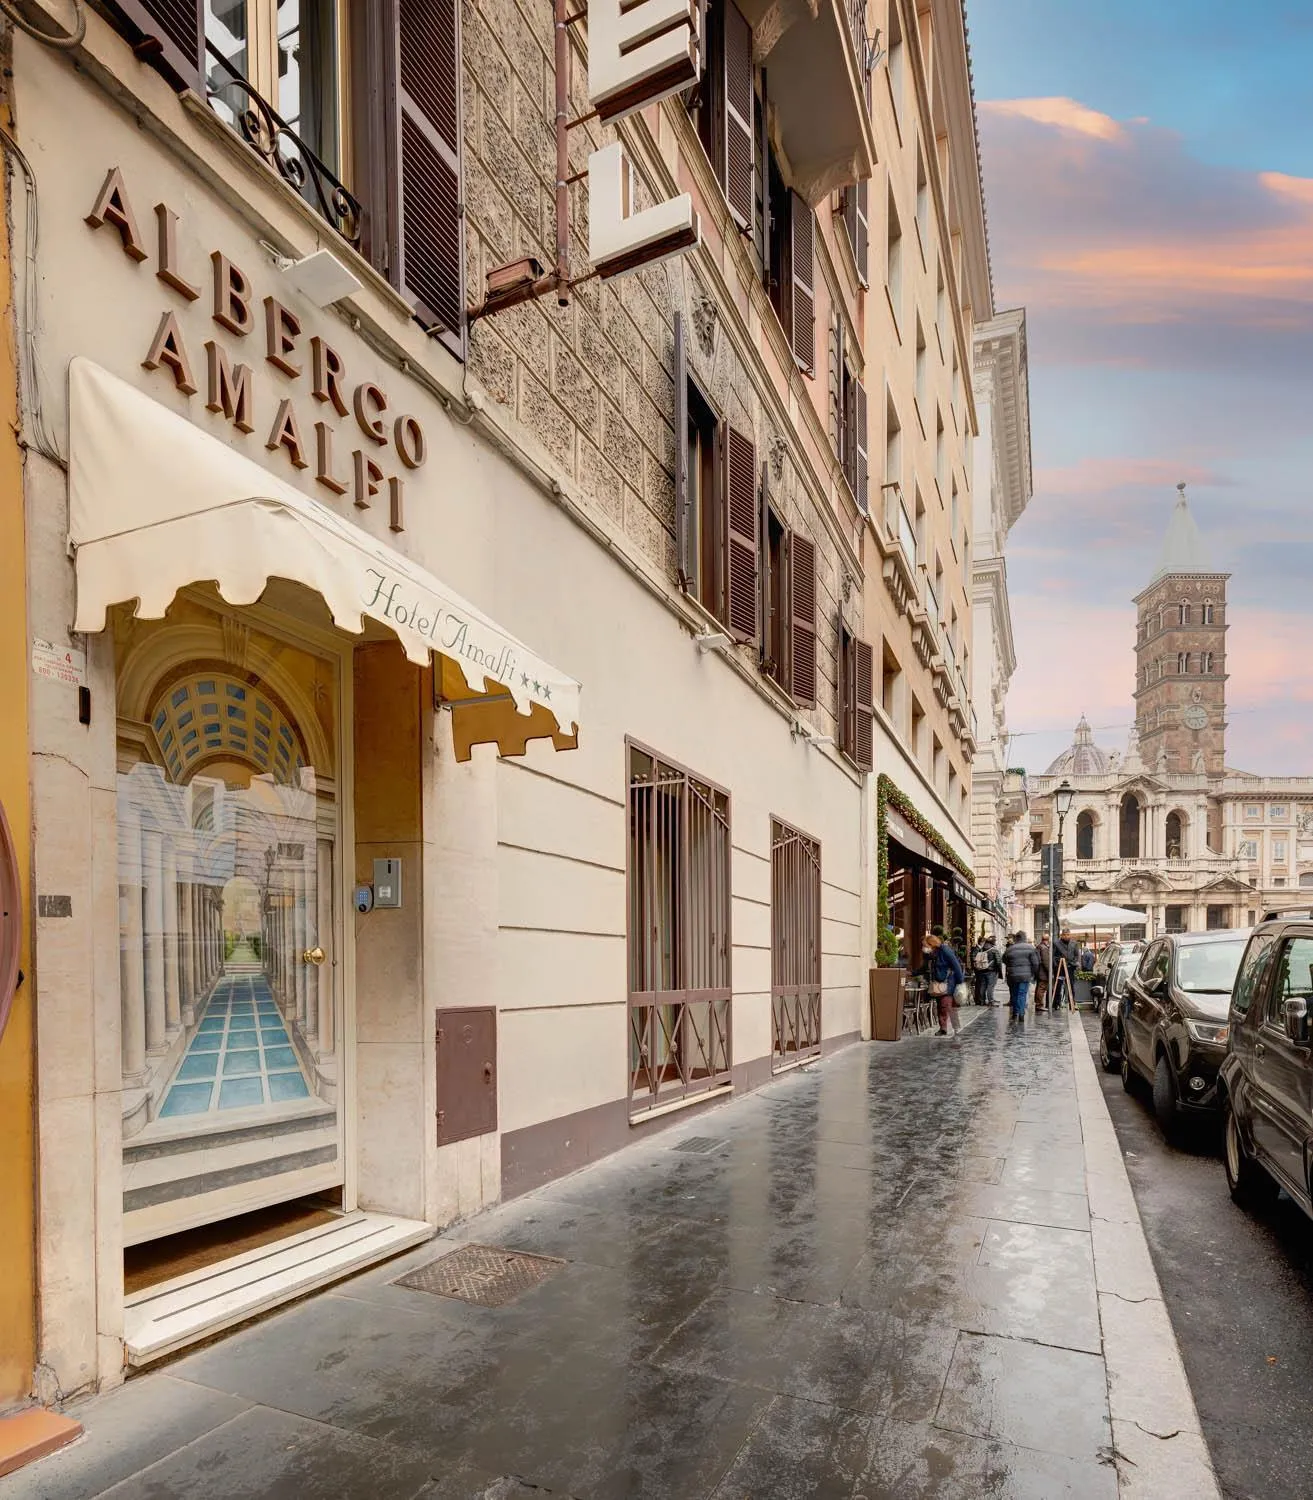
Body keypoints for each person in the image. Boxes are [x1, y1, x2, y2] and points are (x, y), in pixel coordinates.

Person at [926, 926, 966, 1041]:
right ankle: (943, 1028)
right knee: (941, 1006)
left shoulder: (945, 950)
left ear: (932, 944)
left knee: (947, 1006)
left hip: (949, 983)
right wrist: (913, 972)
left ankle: (954, 1027)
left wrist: (960, 983)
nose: (925, 948)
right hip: (939, 984)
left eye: (926, 945)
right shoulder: (934, 954)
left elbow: (957, 966)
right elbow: (925, 967)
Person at [1003, 930, 1041, 1022]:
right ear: (1024, 938)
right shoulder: (1031, 948)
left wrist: (1011, 966)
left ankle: (1015, 1013)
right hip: (1025, 975)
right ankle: (1021, 1013)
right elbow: (1036, 963)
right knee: (1022, 993)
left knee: (1014, 993)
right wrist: (1033, 973)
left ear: (1016, 938)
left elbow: (1004, 959)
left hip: (1012, 975)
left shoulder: (1010, 949)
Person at [1051, 927, 1080, 1011]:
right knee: (1058, 986)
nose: (1066, 936)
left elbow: (1077, 955)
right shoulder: (1056, 943)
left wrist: (1074, 963)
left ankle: (1072, 1004)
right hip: (1060, 968)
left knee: (1071, 986)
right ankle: (1056, 1003)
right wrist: (1056, 965)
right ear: (1062, 935)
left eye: (1068, 934)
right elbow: (1053, 956)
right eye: (1065, 935)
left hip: (1070, 968)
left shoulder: (1074, 943)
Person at [971, 932, 1001, 1006]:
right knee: (990, 986)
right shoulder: (994, 950)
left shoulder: (982, 949)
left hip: (982, 970)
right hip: (991, 970)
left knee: (983, 986)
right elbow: (998, 961)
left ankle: (982, 1001)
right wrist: (998, 970)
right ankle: (990, 1000)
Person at [1035, 935, 1051, 1010]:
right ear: (1048, 939)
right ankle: (1039, 1005)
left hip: (1039, 971)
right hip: (1043, 972)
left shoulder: (1039, 946)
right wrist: (1050, 972)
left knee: (1039, 987)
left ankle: (1038, 1004)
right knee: (1042, 988)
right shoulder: (1044, 948)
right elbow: (1046, 962)